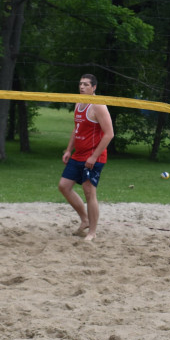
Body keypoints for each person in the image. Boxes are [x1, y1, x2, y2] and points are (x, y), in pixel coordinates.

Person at [58, 74, 114, 241]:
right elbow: (77, 130)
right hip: (78, 155)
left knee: (89, 192)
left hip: (94, 157)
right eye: (80, 84)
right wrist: (69, 150)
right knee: (64, 186)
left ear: (94, 87)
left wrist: (94, 157)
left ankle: (92, 232)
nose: (82, 87)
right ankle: (85, 219)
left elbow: (109, 134)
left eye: (86, 85)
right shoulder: (78, 102)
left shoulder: (98, 106)